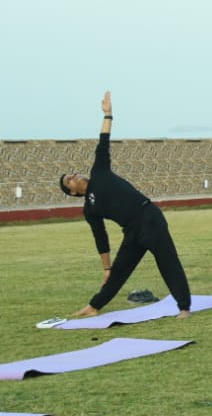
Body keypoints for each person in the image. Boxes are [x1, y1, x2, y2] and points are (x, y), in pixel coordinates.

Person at [58, 91, 193, 320]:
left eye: (72, 173)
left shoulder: (99, 171)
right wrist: (106, 268)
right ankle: (94, 306)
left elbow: (103, 142)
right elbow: (100, 239)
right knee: (119, 271)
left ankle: (184, 308)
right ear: (72, 192)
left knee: (167, 261)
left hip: (148, 216)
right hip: (132, 231)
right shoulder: (89, 210)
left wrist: (108, 115)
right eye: (69, 179)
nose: (75, 175)